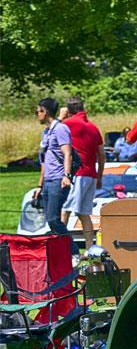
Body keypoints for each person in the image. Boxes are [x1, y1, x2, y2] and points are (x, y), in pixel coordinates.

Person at [59, 95, 104, 248]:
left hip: (76, 175)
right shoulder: (93, 127)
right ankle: (90, 246)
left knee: (65, 210)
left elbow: (54, 131)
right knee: (84, 213)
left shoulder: (68, 123)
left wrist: (60, 116)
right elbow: (101, 155)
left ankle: (60, 245)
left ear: (69, 110)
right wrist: (99, 176)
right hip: (91, 174)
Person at [31, 97, 73, 238]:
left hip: (58, 180)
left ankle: (72, 252)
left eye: (38, 111)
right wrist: (39, 185)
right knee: (51, 221)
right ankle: (63, 253)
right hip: (48, 181)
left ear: (45, 111)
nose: (37, 114)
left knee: (53, 219)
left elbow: (68, 154)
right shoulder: (46, 132)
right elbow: (44, 161)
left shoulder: (61, 129)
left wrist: (67, 176)